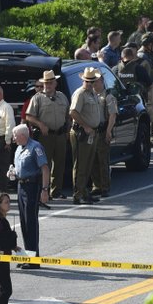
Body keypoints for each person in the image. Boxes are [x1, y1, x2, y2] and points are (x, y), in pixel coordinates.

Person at [25, 70, 69, 200]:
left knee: (60, 163)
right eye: (45, 83)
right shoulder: (37, 98)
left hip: (60, 133)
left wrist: (68, 127)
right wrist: (40, 125)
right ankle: (45, 191)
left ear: (55, 83)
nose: (48, 85)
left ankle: (56, 190)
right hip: (45, 136)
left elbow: (67, 114)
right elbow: (29, 116)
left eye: (50, 82)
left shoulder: (62, 96)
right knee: (45, 164)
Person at [11, 124, 49, 268]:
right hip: (21, 186)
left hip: (32, 187)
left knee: (31, 223)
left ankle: (34, 259)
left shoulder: (35, 147)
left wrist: (44, 190)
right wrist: (13, 173)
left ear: (23, 135)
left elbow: (45, 168)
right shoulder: (18, 149)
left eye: (15, 135)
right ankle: (28, 256)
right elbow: (19, 167)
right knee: (24, 222)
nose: (13, 138)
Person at [69, 67, 102, 205]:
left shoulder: (92, 93)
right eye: (87, 81)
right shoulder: (80, 94)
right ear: (83, 80)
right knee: (81, 164)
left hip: (92, 132)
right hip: (82, 132)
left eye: (92, 81)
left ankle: (84, 191)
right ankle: (78, 194)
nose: (89, 83)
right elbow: (73, 112)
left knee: (88, 164)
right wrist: (85, 126)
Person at [88, 75, 116, 199]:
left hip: (102, 130)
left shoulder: (108, 97)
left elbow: (112, 115)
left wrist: (109, 131)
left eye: (96, 81)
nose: (94, 83)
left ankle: (105, 187)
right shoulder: (89, 96)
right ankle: (96, 186)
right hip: (91, 132)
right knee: (92, 160)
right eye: (92, 81)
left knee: (103, 160)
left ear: (102, 81)